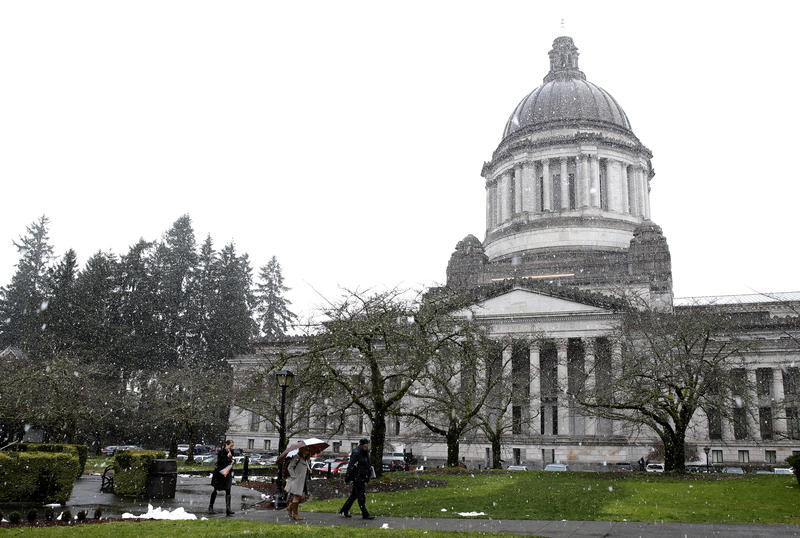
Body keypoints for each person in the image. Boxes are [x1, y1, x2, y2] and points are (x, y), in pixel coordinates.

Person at [339, 438, 376, 520]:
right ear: (363, 445)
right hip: (358, 477)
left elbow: (367, 464)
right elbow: (351, 466)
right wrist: (347, 479)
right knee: (361, 496)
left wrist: (368, 474)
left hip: (362, 476)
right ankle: (365, 514)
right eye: (366, 445)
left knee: (354, 496)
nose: (368, 447)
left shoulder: (365, 452)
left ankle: (344, 510)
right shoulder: (357, 452)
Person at [209, 440, 235, 516]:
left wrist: (232, 460)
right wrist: (227, 458)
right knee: (215, 489)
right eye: (230, 446)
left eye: (232, 446)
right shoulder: (221, 452)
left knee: (228, 490)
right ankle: (211, 507)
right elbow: (221, 462)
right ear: (226, 445)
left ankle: (228, 508)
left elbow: (231, 462)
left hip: (227, 473)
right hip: (220, 474)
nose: (231, 448)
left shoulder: (231, 452)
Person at [284, 446, 311, 521]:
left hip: (303, 481)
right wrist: (294, 476)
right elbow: (290, 467)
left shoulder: (305, 459)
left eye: (308, 450)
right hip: (297, 481)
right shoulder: (297, 457)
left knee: (302, 497)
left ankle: (290, 507)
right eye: (306, 450)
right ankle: (295, 514)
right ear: (301, 450)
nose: (307, 452)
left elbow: (304, 469)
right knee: (297, 497)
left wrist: (309, 469)